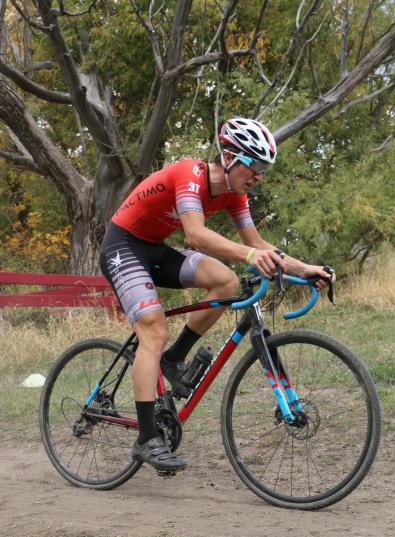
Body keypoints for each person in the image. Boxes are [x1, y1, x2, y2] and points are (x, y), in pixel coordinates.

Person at [99, 117, 334, 473]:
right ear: (229, 156)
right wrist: (252, 257)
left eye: (263, 168)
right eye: (253, 164)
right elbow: (195, 235)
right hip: (122, 246)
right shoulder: (188, 175)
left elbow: (255, 245)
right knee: (153, 331)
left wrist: (304, 269)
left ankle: (173, 359)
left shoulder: (234, 195)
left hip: (154, 249)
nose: (258, 175)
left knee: (226, 281)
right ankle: (147, 438)